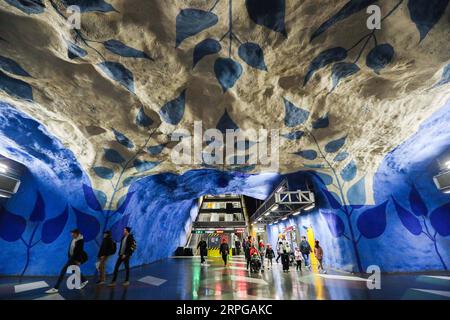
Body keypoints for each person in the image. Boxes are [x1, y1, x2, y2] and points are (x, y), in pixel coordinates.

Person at [45, 229, 88, 294]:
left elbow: (79, 252)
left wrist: (79, 261)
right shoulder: (74, 239)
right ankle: (84, 280)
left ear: (77, 234)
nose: (71, 235)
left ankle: (56, 288)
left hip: (75, 258)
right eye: (71, 234)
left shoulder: (80, 241)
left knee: (63, 270)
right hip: (71, 258)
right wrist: (69, 257)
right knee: (74, 270)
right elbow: (71, 249)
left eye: (73, 234)